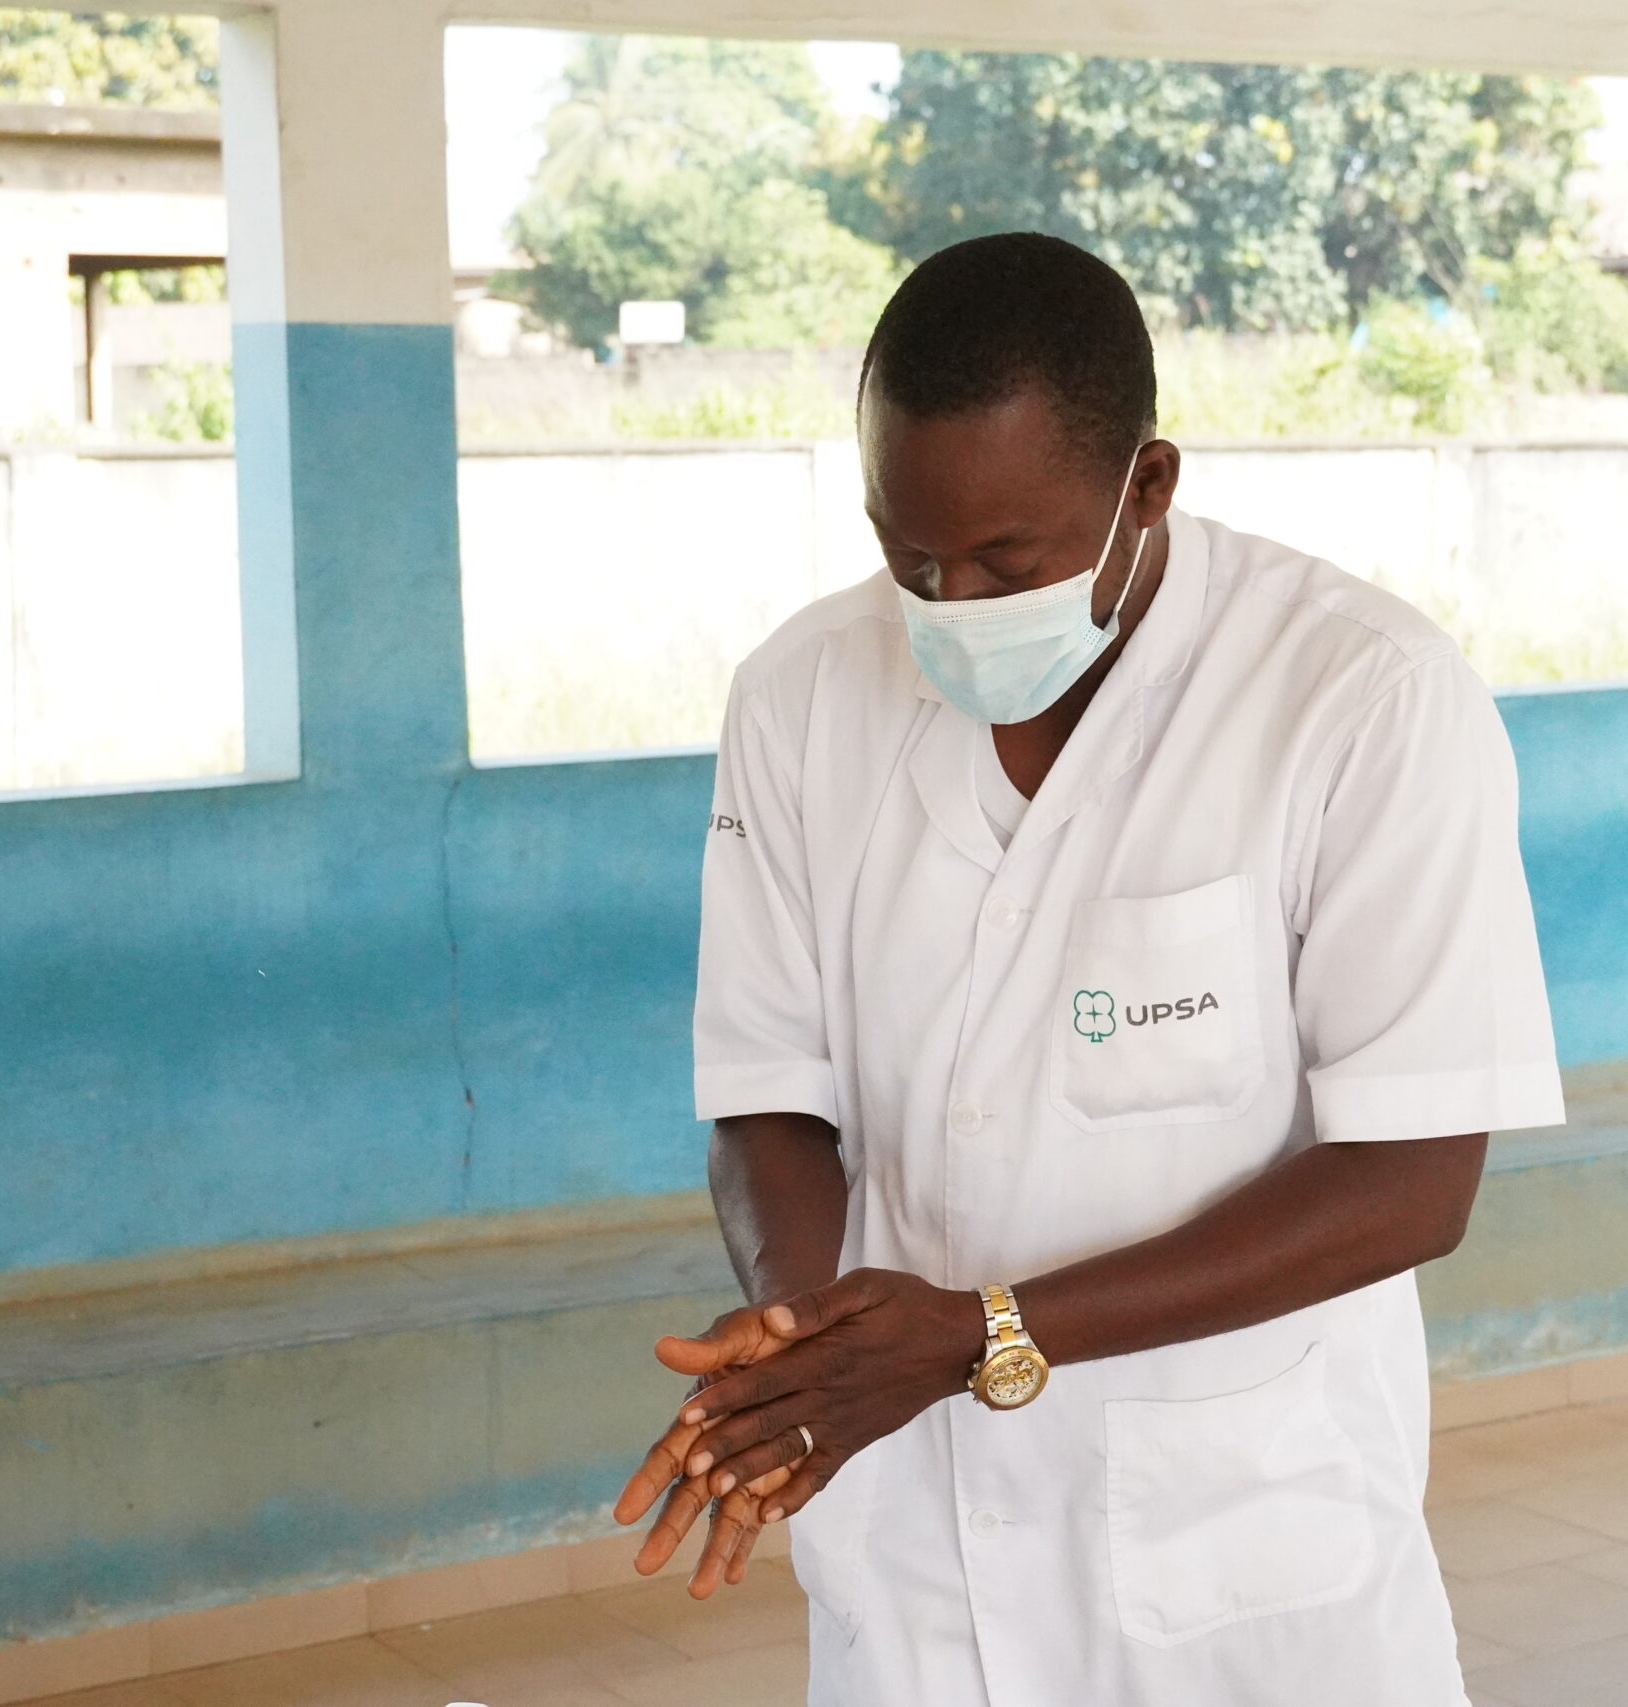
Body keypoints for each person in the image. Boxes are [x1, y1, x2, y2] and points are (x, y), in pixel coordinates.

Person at [612, 232, 1564, 1706]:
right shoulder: (800, 698)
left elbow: (1414, 1180)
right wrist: (808, 1340)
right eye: (907, 552)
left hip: (1242, 1575)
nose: (953, 603)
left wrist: (983, 1335)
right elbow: (768, 1090)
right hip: (920, 1575)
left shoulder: (1362, 699)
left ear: (1150, 484)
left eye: (1009, 560)